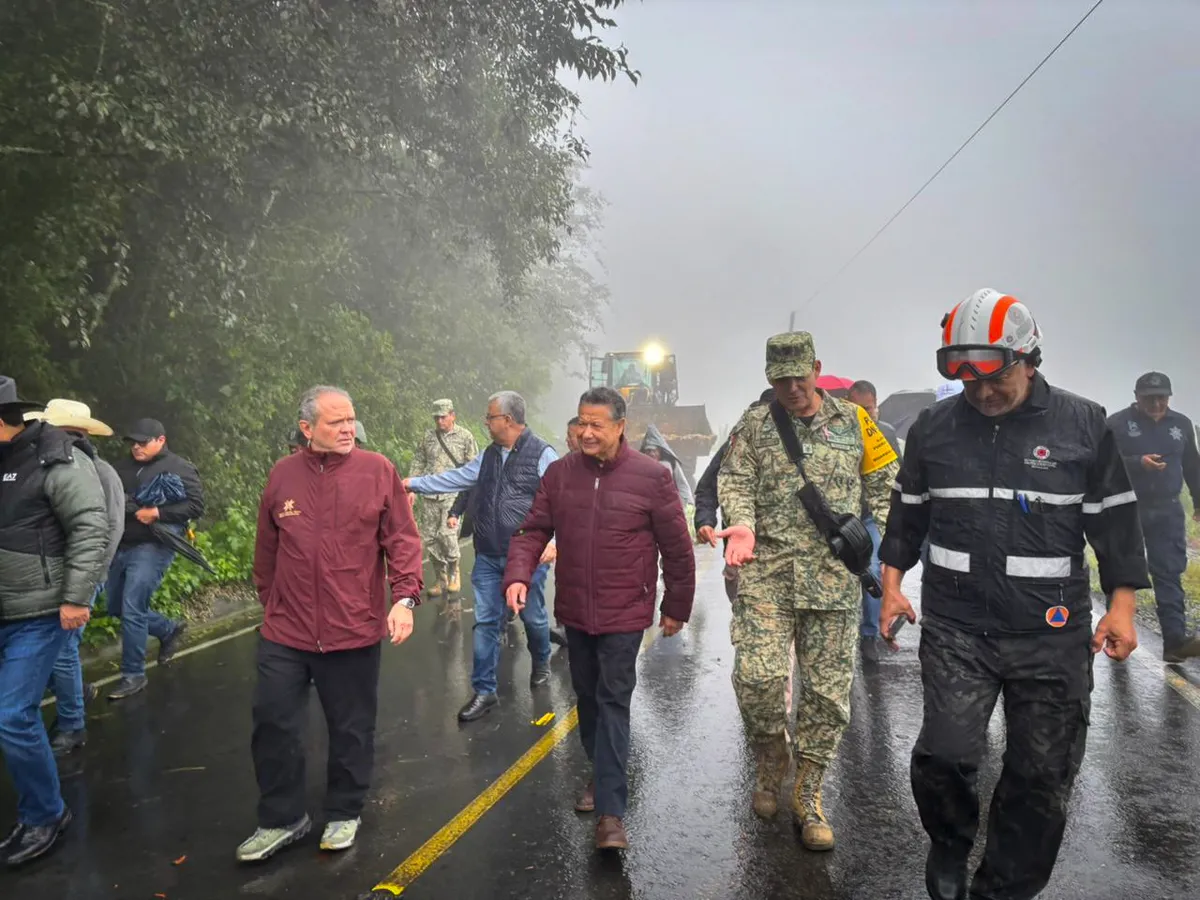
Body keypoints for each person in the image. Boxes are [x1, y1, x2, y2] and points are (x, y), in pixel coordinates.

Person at [879, 289, 1148, 900]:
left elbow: (1115, 523)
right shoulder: (933, 429)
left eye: (995, 378)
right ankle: (949, 844)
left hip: (1050, 636)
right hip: (957, 628)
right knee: (944, 757)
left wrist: (1124, 606)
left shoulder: (1084, 424)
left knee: (1041, 776)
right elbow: (907, 514)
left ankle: (1000, 889)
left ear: (1030, 359)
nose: (981, 393)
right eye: (967, 382)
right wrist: (893, 586)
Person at [717, 333, 898, 850]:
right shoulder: (754, 424)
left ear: (816, 368)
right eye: (780, 379)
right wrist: (744, 524)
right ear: (768, 377)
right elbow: (734, 481)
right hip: (767, 576)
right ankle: (772, 755)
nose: (792, 388)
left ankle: (810, 793)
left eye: (800, 376)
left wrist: (896, 570)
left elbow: (888, 488)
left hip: (832, 580)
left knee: (826, 696)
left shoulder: (855, 422)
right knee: (757, 678)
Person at [503, 387, 695, 851]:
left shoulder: (651, 477)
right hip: (574, 610)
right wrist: (518, 574)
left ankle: (611, 813)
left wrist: (676, 607)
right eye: (581, 423)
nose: (586, 433)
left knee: (612, 700)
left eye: (597, 425)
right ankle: (600, 770)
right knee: (586, 698)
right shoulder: (560, 475)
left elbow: (678, 548)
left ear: (619, 426)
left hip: (625, 612)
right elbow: (533, 530)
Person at [237, 385, 423, 862]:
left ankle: (344, 809)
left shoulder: (376, 470)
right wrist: (271, 600)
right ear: (307, 428)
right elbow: (267, 550)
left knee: (351, 728)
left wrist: (404, 598)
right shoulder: (283, 475)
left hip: (352, 627)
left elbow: (402, 539)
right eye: (336, 422)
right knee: (273, 724)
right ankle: (282, 818)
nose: (347, 429)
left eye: (351, 420)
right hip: (287, 630)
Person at [0, 376, 107, 866]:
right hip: (5, 606)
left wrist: (77, 597)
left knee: (13, 715)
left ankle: (45, 814)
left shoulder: (57, 458)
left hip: (41, 610)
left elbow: (92, 525)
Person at [404, 391, 557, 722]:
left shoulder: (543, 454)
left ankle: (541, 661)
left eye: (490, 417)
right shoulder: (487, 456)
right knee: (486, 621)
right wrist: (415, 483)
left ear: (509, 420)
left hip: (528, 556)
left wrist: (553, 540)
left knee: (533, 617)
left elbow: (562, 500)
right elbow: (456, 478)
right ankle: (485, 690)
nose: (486, 422)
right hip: (488, 554)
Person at [24, 400, 125, 755]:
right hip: (46, 580)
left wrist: (91, 579)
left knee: (64, 651)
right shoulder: (41, 468)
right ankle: (74, 695)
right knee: (48, 650)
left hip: (80, 578)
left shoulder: (100, 472)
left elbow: (108, 530)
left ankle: (71, 724)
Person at [106, 417, 204, 699]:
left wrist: (158, 513)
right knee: (115, 607)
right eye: (133, 442)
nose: (136, 447)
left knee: (133, 604)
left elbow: (196, 505)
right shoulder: (120, 468)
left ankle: (133, 675)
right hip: (121, 543)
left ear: (161, 440)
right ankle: (168, 629)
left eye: (143, 442)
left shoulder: (179, 467)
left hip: (154, 544)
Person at [1107, 372, 1200, 661]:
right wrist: (1138, 463)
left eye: (1162, 397)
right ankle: (1116, 635)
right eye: (1150, 398)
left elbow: (1193, 466)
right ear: (1136, 396)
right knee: (1122, 571)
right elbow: (1103, 463)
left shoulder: (1182, 424)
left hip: (1167, 510)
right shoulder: (1117, 423)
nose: (1157, 403)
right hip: (1126, 507)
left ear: (1169, 397)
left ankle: (1174, 642)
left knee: (1169, 572)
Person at [847, 379, 903, 663]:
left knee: (873, 572)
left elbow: (896, 477)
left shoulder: (886, 434)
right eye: (860, 410)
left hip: (870, 517)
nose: (867, 416)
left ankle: (869, 635)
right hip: (842, 519)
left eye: (870, 409)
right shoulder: (837, 435)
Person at [408, 399, 478, 598]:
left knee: (447, 535)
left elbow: (473, 467)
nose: (439, 421)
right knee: (430, 538)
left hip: (453, 495)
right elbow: (419, 460)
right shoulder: (428, 437)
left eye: (443, 417)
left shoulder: (465, 437)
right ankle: (440, 578)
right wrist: (412, 486)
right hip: (430, 494)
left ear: (452, 415)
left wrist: (469, 495)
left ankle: (454, 571)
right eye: (436, 417)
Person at [639, 424, 695, 512]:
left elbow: (682, 485)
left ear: (660, 451)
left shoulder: (671, 464)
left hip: (669, 506)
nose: (652, 454)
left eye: (654, 451)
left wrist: (688, 504)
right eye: (648, 451)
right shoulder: (640, 466)